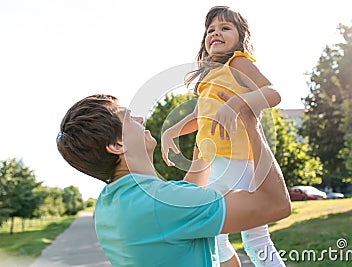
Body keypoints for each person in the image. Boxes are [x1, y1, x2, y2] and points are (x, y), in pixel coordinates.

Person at [56, 93, 291, 267]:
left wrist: (204, 151)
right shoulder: (164, 204)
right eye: (128, 118)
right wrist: (252, 123)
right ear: (118, 145)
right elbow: (275, 204)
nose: (139, 119)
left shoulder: (110, 203)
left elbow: (180, 205)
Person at [161, 6, 284, 267]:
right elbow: (198, 115)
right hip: (232, 164)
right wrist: (172, 130)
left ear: (240, 37)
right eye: (210, 30)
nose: (216, 33)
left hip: (233, 160)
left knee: (208, 230)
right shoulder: (211, 75)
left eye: (225, 28)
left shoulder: (238, 62)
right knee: (254, 237)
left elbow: (272, 94)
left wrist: (237, 103)